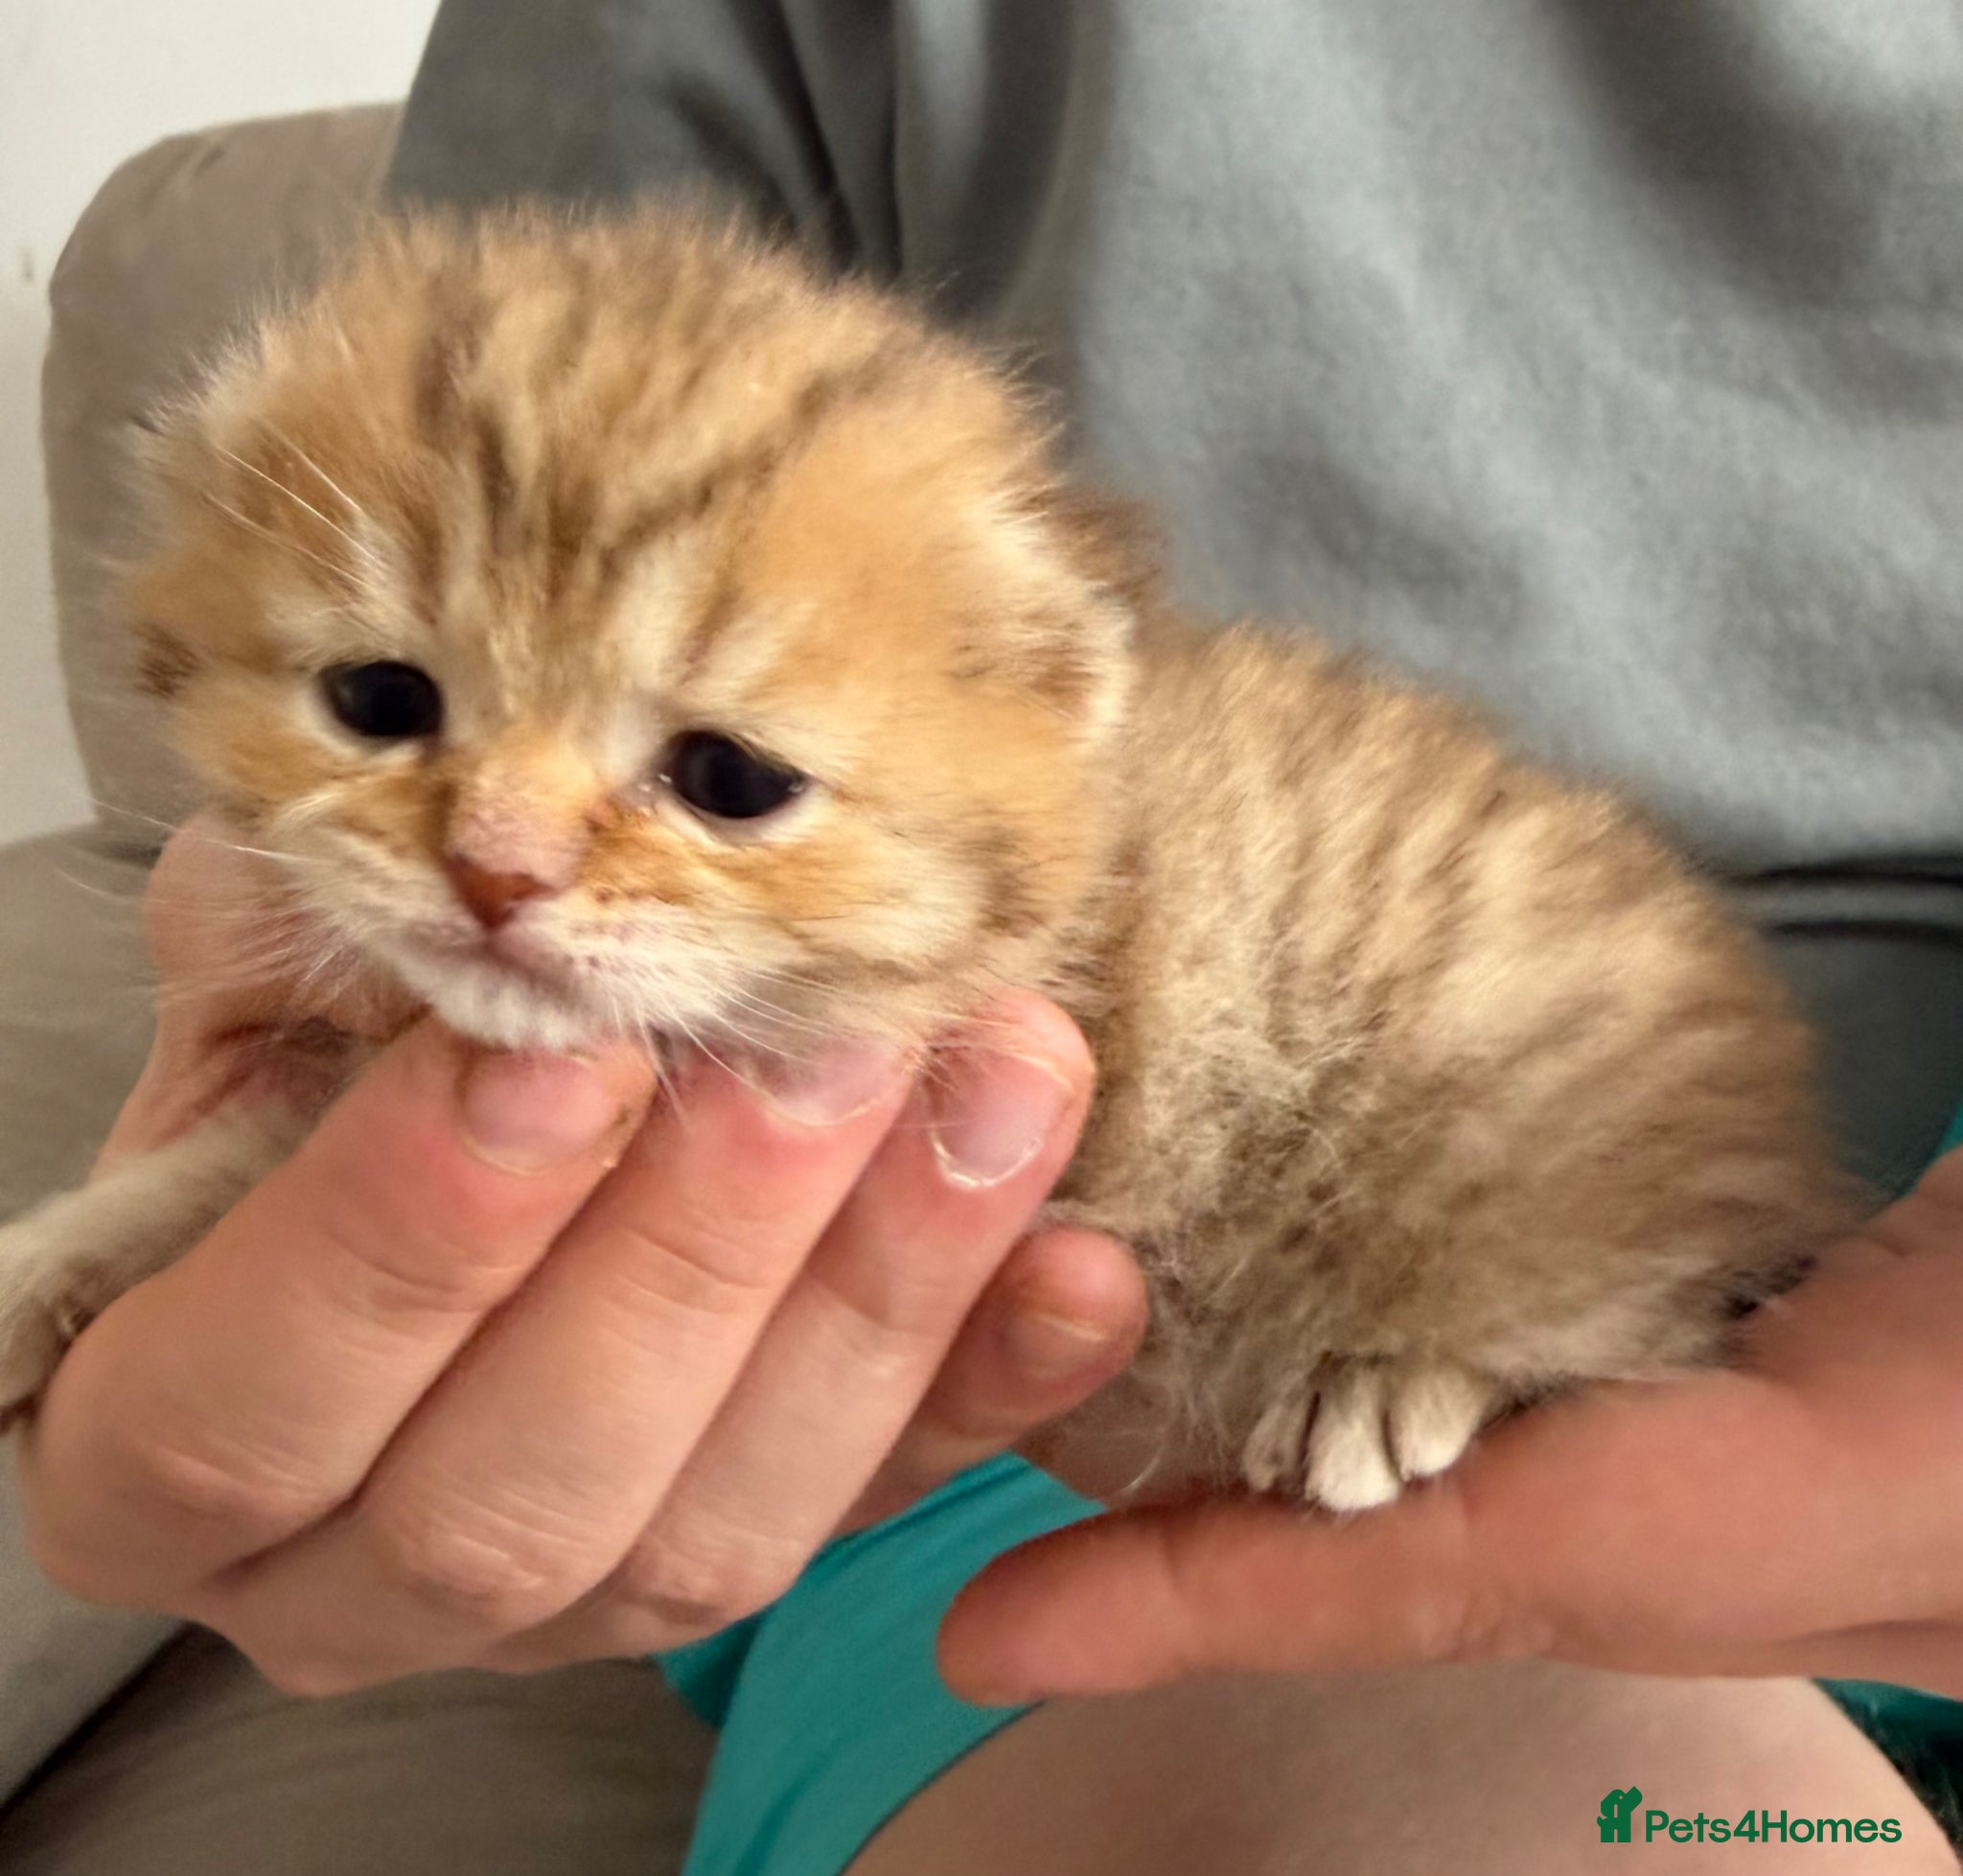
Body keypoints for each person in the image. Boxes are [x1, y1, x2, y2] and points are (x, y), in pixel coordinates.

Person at [9, 3, 1963, 1871]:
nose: (498, 856)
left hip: (1573, 1234)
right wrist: (216, 1143)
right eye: (379, 699)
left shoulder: (1077, 827)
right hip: (993, 1445)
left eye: (722, 773)